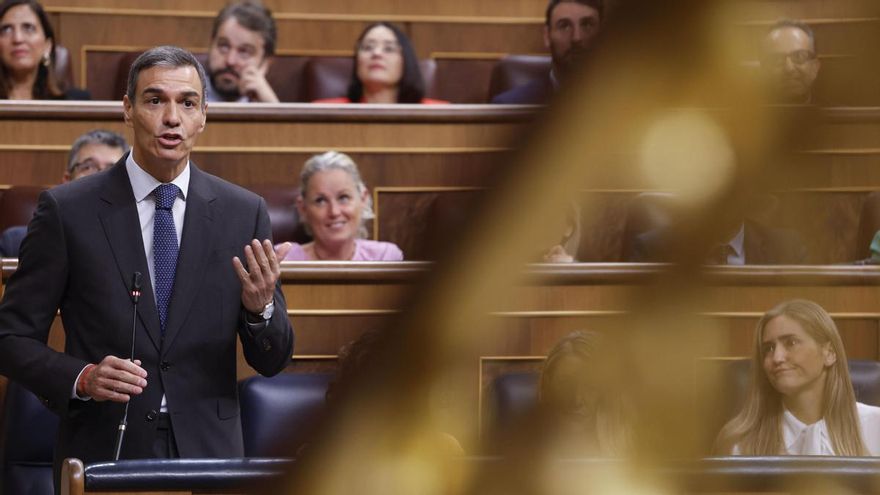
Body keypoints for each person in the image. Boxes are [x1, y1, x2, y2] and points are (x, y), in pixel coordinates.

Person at [0, 46, 294, 480]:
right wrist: (81, 377)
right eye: (155, 100)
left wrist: (260, 311)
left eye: (187, 103)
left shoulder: (242, 212)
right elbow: (11, 337)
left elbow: (273, 361)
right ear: (128, 109)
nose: (172, 117)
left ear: (203, 116)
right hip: (104, 448)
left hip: (208, 455)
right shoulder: (68, 211)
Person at [715, 299, 880, 455]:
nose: (777, 358)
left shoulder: (875, 426)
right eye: (769, 349)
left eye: (791, 343)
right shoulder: (740, 440)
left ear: (829, 353)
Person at [0, 129, 129, 258]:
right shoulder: (16, 243)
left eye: (112, 170)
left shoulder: (138, 242)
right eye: (88, 167)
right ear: (67, 180)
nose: (99, 176)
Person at [284, 151, 403, 261]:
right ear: (303, 208)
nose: (334, 212)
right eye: (320, 201)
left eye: (343, 198)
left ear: (363, 199)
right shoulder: (283, 258)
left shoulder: (384, 257)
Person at [539, 330, 631, 456]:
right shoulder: (520, 450)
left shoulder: (635, 453)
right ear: (548, 384)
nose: (577, 400)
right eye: (567, 384)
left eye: (591, 386)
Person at [491, 0, 602, 104]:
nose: (576, 37)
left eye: (587, 25)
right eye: (564, 26)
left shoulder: (618, 104)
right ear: (547, 36)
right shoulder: (510, 106)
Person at [313, 22, 447, 104]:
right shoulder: (325, 112)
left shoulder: (439, 114)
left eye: (389, 49)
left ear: (405, 61)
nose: (376, 54)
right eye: (368, 47)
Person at [0, 0, 88, 99]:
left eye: (29, 28)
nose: (18, 39)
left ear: (47, 46)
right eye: (6, 30)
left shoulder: (77, 102)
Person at [205, 1, 279, 102]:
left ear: (265, 63)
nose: (230, 61)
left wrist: (272, 108)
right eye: (224, 46)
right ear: (211, 44)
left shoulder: (266, 102)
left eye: (244, 52)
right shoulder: (185, 94)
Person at [760, 19, 820, 105]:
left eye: (799, 56)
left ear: (815, 67)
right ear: (764, 70)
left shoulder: (837, 116)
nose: (789, 68)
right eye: (777, 59)